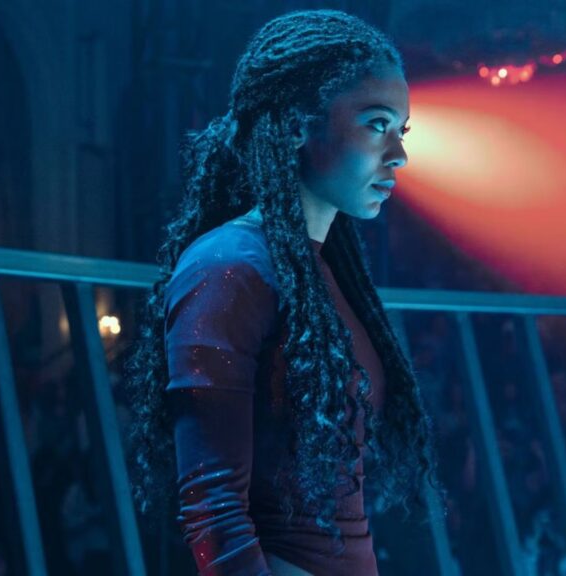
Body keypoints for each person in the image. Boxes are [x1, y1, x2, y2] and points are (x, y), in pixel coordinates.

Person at [126, 9, 439, 576]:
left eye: (402, 130)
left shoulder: (319, 268)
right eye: (377, 124)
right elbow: (214, 511)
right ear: (296, 125)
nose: (398, 154)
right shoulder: (228, 266)